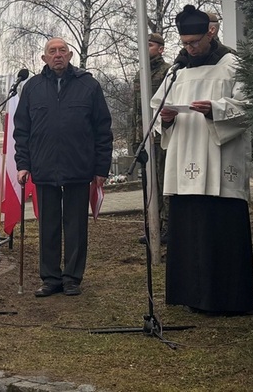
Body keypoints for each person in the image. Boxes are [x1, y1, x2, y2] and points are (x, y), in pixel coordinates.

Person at [152, 5, 253, 314]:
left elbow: (250, 105)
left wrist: (216, 110)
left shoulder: (233, 65)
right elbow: (157, 108)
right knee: (190, 230)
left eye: (194, 42)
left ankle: (228, 299)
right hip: (186, 161)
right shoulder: (176, 70)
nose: (189, 48)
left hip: (220, 158)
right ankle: (191, 294)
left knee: (220, 229)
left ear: (210, 34)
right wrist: (166, 118)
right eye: (184, 43)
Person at [14, 38, 113, 297]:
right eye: (52, 52)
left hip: (78, 167)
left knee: (75, 225)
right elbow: (22, 130)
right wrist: (23, 164)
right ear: (44, 58)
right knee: (48, 225)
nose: (57, 55)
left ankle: (72, 278)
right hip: (44, 167)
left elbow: (103, 130)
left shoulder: (88, 86)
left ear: (69, 55)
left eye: (62, 51)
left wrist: (101, 169)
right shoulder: (32, 87)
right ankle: (50, 278)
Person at [132, 32, 170, 243]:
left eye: (151, 45)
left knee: (163, 183)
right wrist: (135, 139)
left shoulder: (167, 71)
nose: (146, 49)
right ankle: (152, 224)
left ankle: (167, 227)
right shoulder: (141, 74)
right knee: (149, 184)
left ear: (160, 49)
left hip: (160, 137)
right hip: (144, 138)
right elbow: (136, 110)